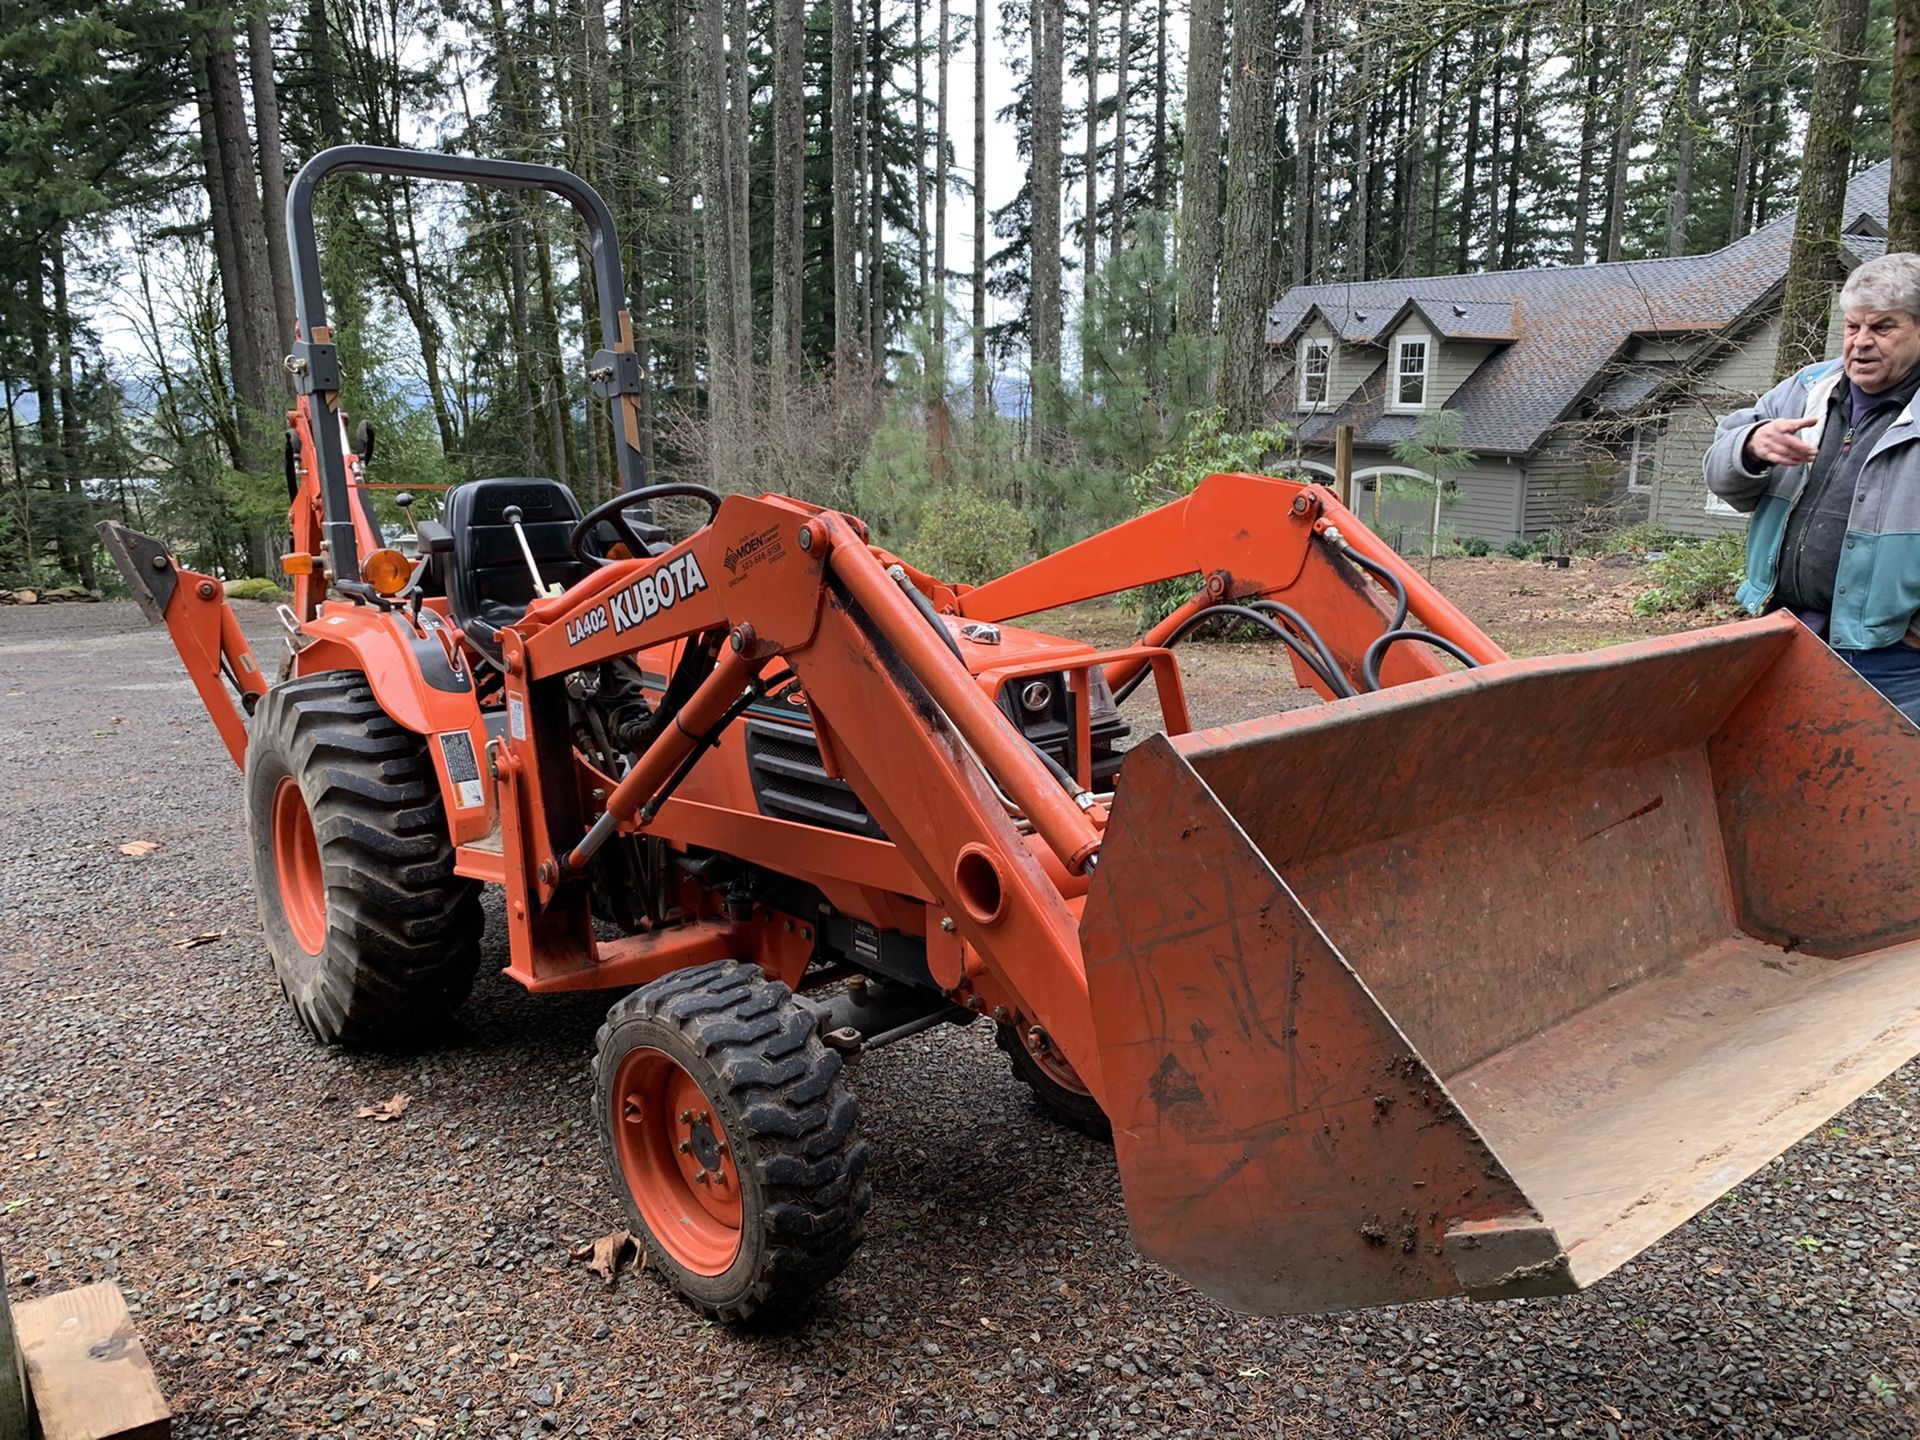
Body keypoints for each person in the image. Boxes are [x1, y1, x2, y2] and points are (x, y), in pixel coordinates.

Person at [1706, 251, 1920, 722]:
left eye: (1882, 328)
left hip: (1893, 660)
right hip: (1781, 632)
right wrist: (1751, 445)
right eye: (1852, 327)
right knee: (1783, 780)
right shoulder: (1806, 389)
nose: (1861, 343)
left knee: (1885, 789)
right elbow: (1720, 474)